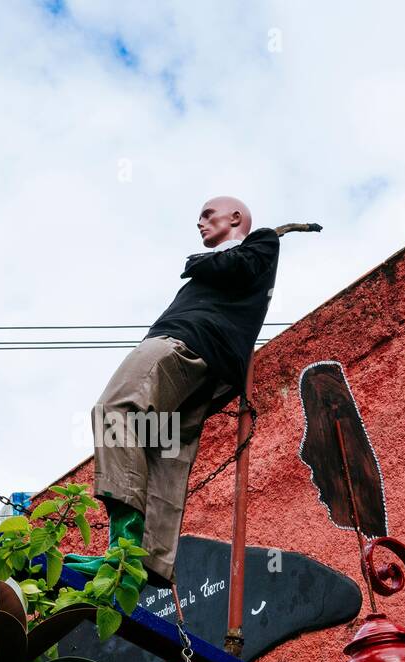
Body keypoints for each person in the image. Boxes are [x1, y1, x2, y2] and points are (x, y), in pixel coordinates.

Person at [65, 196, 280, 588]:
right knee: (163, 447)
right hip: (206, 369)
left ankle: (123, 548)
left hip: (182, 344)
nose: (199, 224)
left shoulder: (260, 243)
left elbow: (236, 265)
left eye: (206, 215)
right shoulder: (234, 262)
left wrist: (196, 263)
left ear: (236, 217)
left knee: (115, 410)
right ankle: (140, 566)